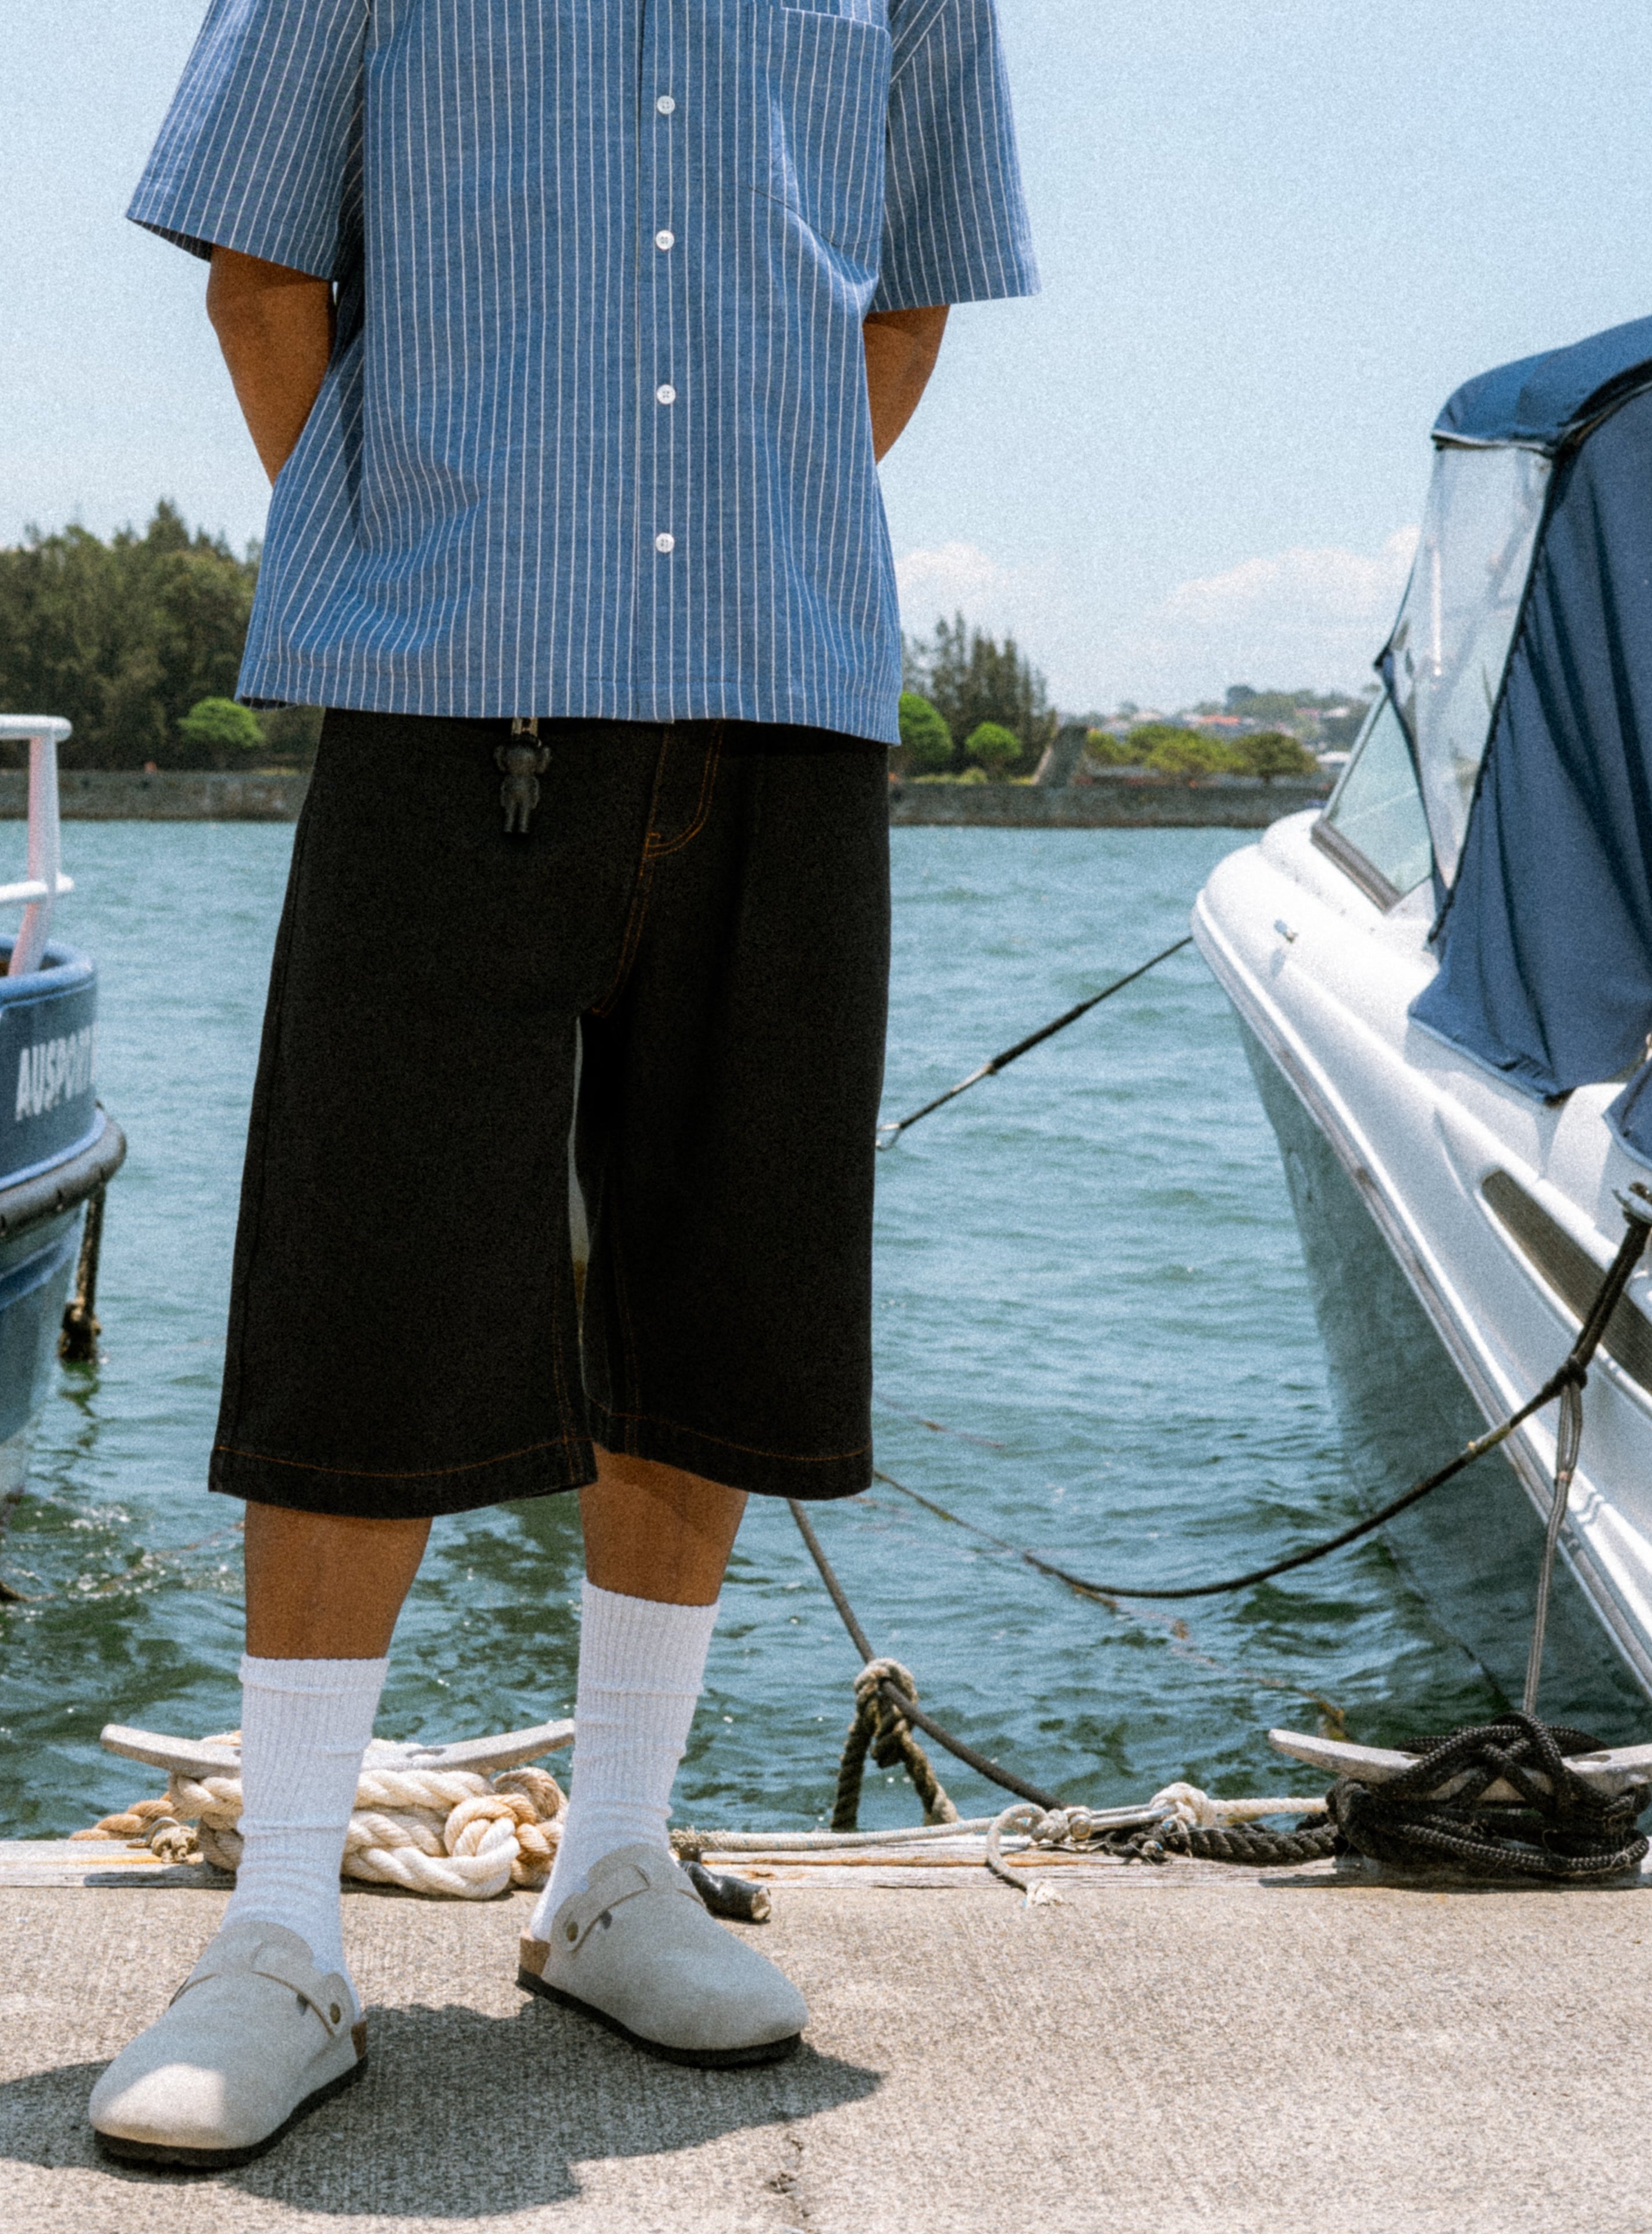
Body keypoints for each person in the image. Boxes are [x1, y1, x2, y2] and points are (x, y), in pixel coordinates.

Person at [91, 0, 1033, 2169]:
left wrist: (708, 550)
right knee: (371, 1273)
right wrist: (448, 559)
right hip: (450, 687)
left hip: (780, 682)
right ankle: (277, 1926)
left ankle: (612, 1857)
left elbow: (898, 301)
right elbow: (258, 264)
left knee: (716, 1276)